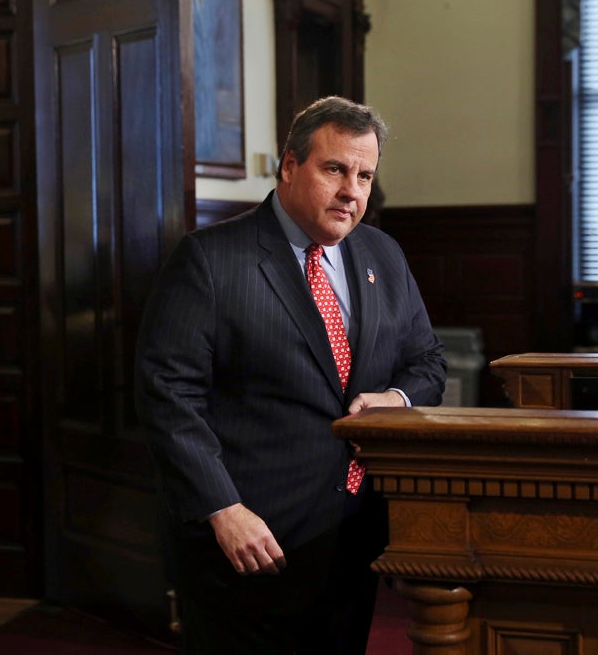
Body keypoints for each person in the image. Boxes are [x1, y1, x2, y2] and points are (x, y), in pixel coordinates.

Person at [135, 96, 447, 654]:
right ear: (288, 166)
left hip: (352, 537)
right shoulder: (210, 259)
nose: (352, 189)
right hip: (247, 542)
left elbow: (428, 363)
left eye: (365, 175)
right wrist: (222, 509)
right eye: (335, 169)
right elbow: (166, 395)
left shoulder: (384, 253)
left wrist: (396, 398)